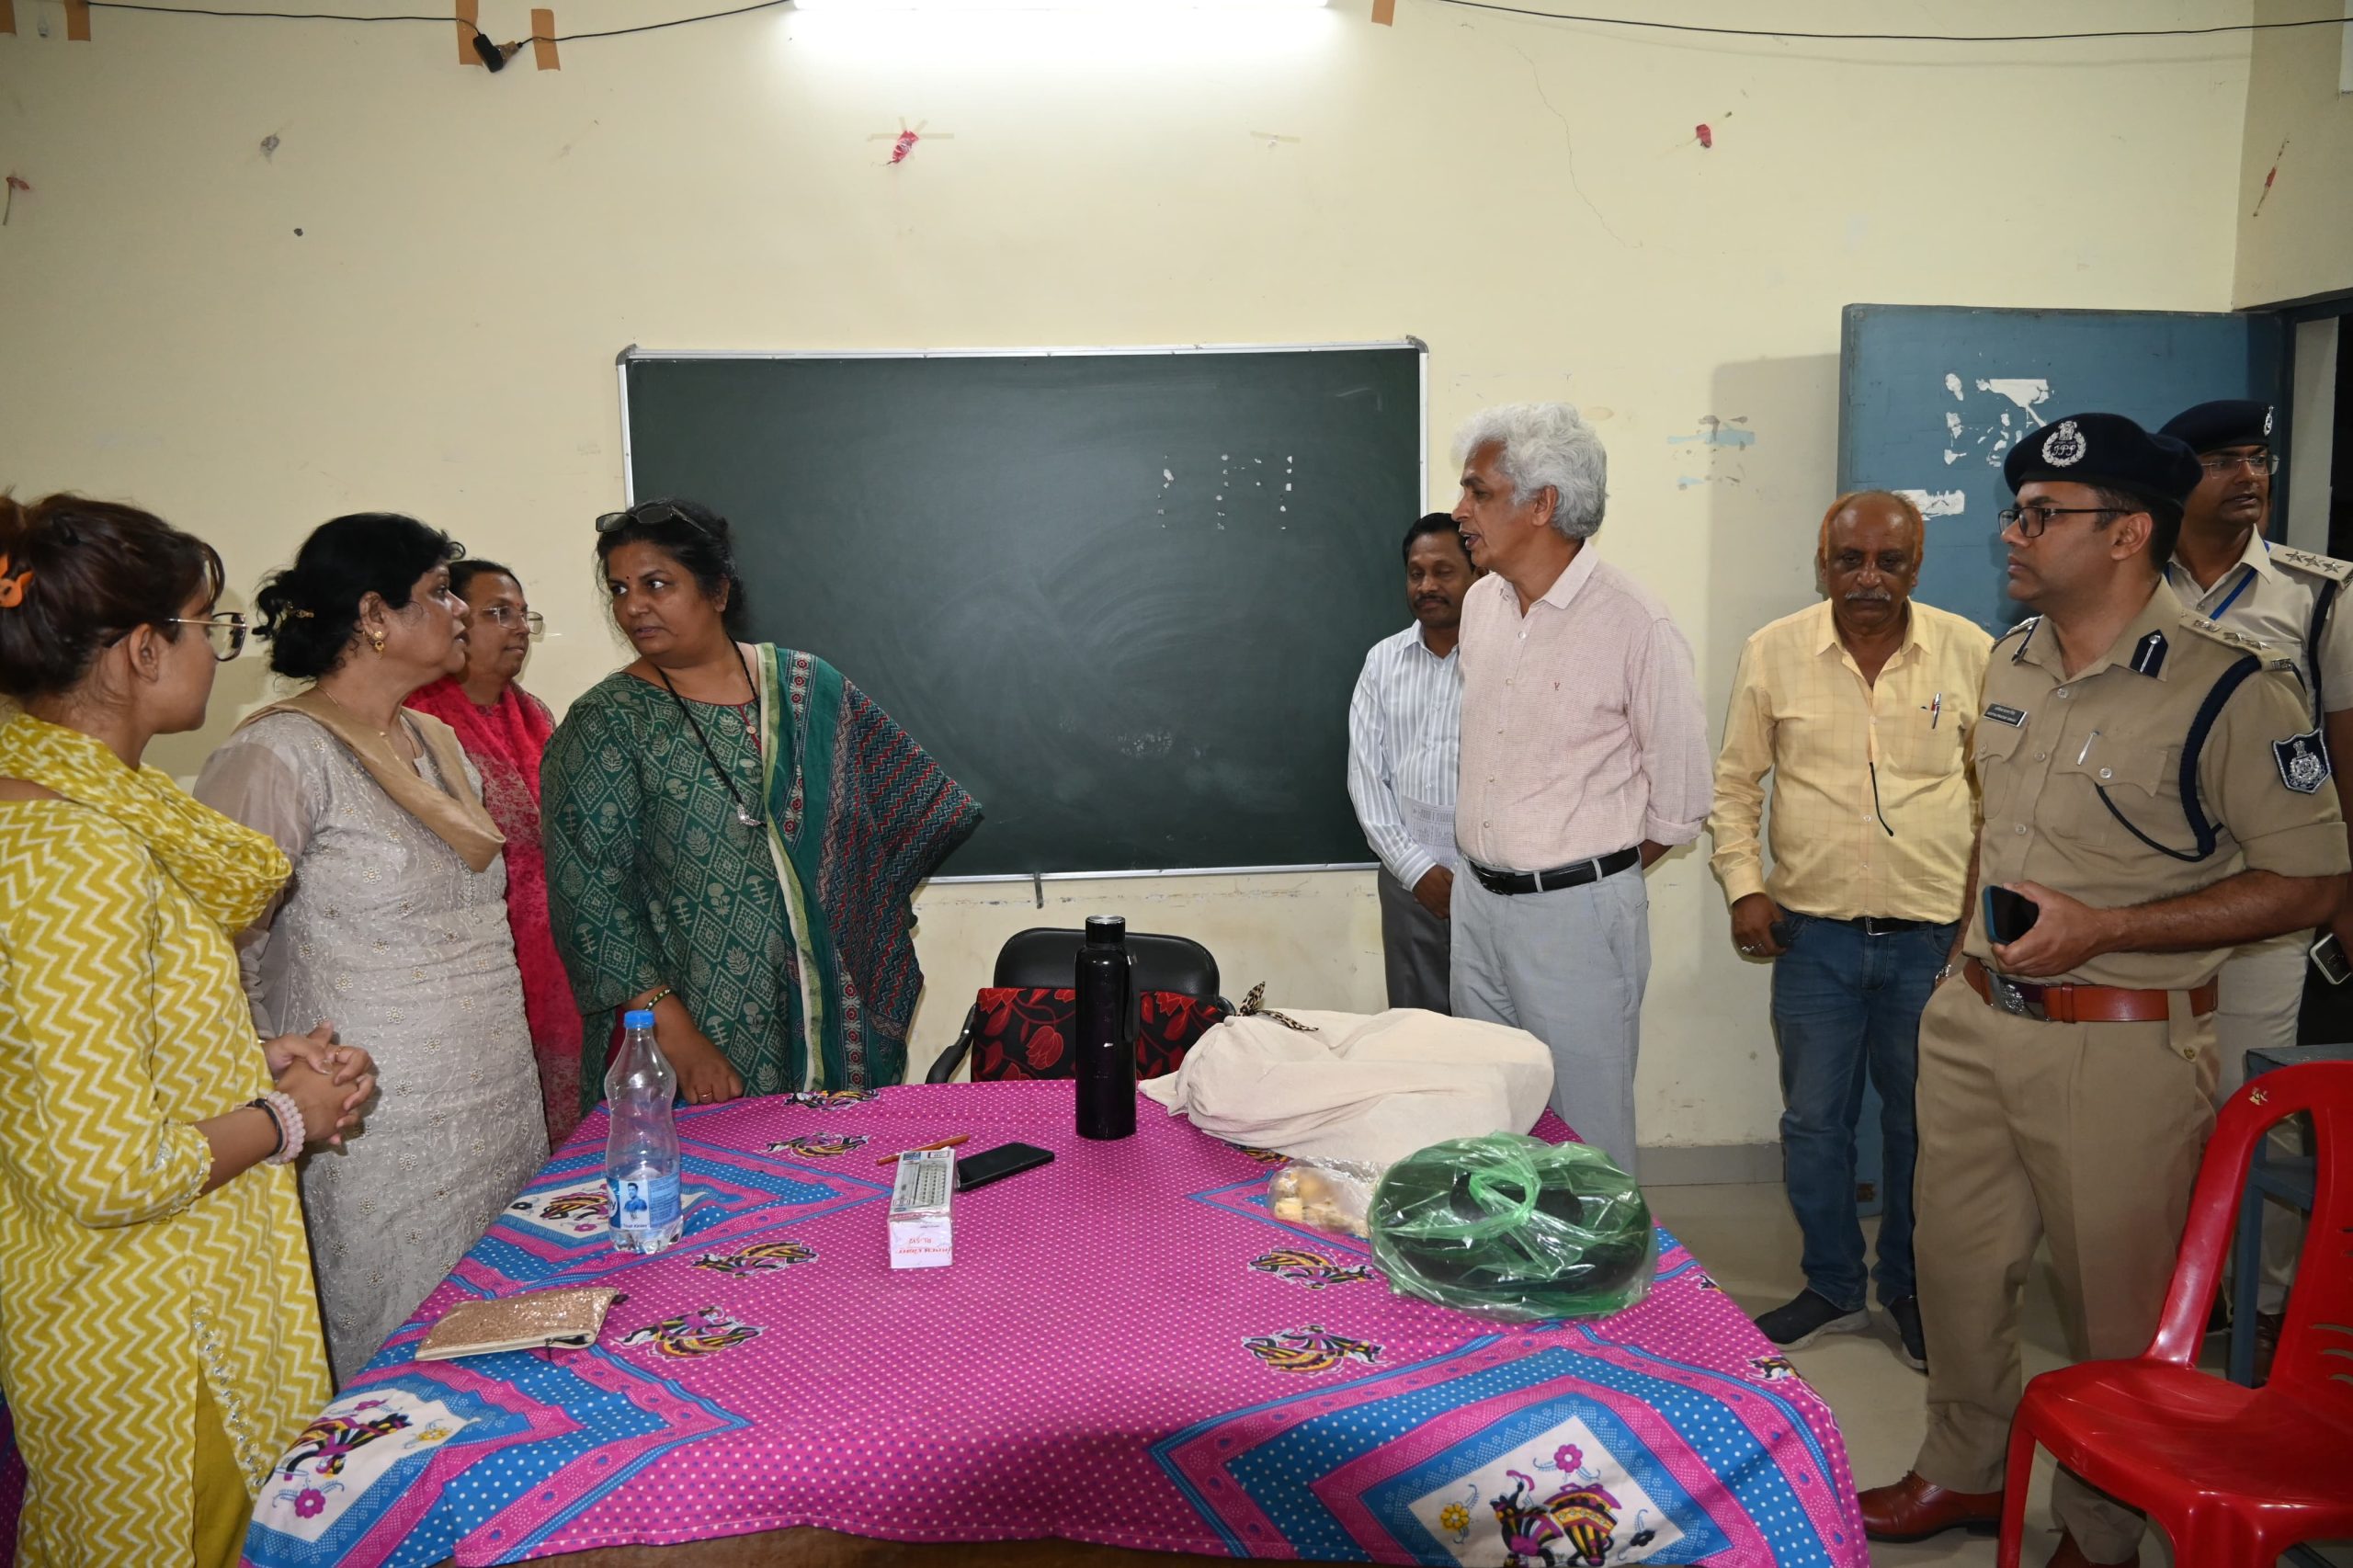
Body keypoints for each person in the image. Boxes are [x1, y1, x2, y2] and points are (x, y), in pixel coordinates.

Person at [1856, 414, 2347, 1568]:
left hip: (2118, 1047)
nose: (2011, 531)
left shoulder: (2233, 690)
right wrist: (1957, 966)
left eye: (2042, 515)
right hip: (1976, 1024)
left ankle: (2102, 1523)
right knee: (1956, 1269)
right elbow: (1994, 826)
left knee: (2116, 1308)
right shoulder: (2013, 657)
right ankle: (1965, 1466)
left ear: (2127, 533)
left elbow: (2312, 880)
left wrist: (2109, 928)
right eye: (2016, 509)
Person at [0, 494, 375, 1566]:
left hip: (128, 1303)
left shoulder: (60, 814)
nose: (218, 650)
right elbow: (109, 1166)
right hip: (161, 1337)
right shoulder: (76, 848)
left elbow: (48, 1068)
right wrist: (288, 1114)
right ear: (140, 649)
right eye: (209, 624)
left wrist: (247, 1059)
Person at [196, 513, 547, 1386]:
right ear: (374, 615)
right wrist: (269, 1078)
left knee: (506, 1343)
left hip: (498, 1102)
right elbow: (217, 952)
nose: (459, 611)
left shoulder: (439, 743)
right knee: (399, 1365)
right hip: (373, 1123)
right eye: (438, 593)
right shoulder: (277, 754)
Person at [541, 498, 980, 1108]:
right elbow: (588, 894)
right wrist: (674, 1031)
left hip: (832, 1016)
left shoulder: (810, 686)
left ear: (717, 591)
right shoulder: (607, 722)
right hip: (691, 1027)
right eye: (619, 589)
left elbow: (912, 807)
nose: (633, 606)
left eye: (656, 584)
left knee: (838, 1165)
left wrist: (856, 913)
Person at [1709, 491, 1991, 1372]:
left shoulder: (1972, 653)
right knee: (1814, 1124)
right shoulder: (1774, 651)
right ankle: (1832, 1284)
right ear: (1822, 563)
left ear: (1918, 565)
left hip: (1930, 940)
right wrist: (1745, 888)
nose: (1869, 579)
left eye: (1889, 561)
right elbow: (1735, 785)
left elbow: (1999, 801)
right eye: (1849, 560)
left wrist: (1973, 926)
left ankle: (1907, 1287)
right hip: (1813, 940)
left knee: (1922, 1127)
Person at [1447, 403, 1712, 1177]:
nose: (1460, 511)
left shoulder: (1635, 624)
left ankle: (1601, 1262)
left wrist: (1582, 875)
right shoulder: (1481, 605)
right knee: (1493, 1120)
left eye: (1478, 492)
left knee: (1586, 1143)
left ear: (1543, 504)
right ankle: (1510, 1252)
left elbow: (1682, 802)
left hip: (1578, 918)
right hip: (1476, 903)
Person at [2157, 397, 2351, 1351]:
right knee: (2157, 1111)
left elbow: (2345, 754)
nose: (2248, 476)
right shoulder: (2128, 578)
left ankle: (2266, 1301)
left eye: (2257, 458)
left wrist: (2343, 892)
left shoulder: (2318, 595)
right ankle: (2177, 1297)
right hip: (2148, 899)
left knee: (2257, 1103)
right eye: (2221, 461)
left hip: (2268, 896)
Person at [405, 559, 585, 1148]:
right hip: (474, 962)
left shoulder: (536, 715)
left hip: (560, 961)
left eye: (524, 615)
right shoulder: (418, 722)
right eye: (498, 613)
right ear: (455, 618)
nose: (520, 629)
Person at [1346, 513, 1480, 1012]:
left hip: (1492, 884)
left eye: (1444, 572)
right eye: (1416, 573)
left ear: (1478, 574)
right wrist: (1416, 870)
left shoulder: (1504, 660)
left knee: (1497, 1034)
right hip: (1408, 884)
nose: (1427, 586)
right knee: (1417, 1033)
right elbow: (1366, 778)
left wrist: (1474, 877)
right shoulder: (1382, 662)